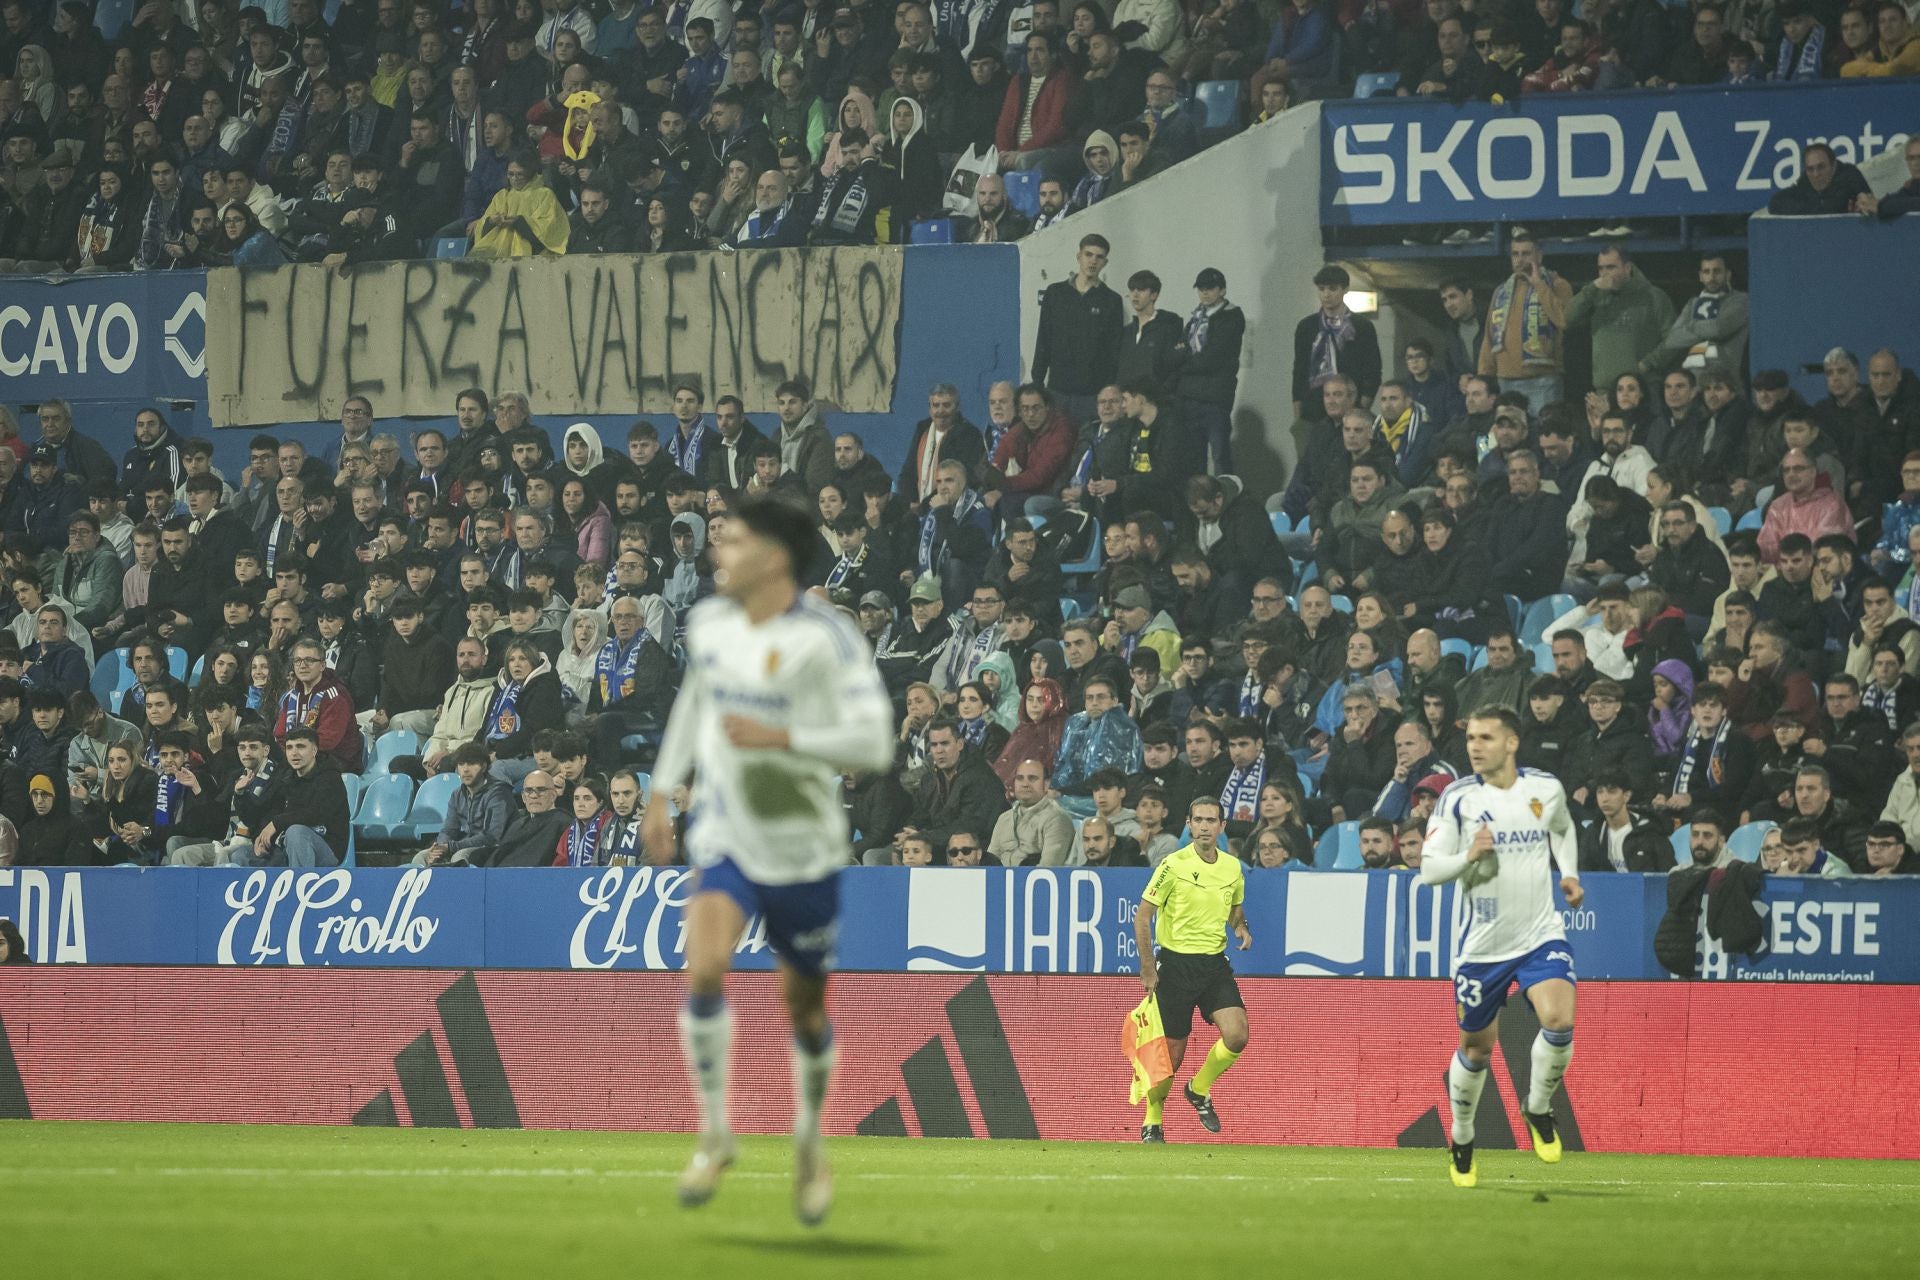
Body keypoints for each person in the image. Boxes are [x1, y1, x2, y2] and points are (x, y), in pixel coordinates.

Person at [644, 498, 893, 1225]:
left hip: (804, 846)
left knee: (804, 1008)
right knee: (704, 967)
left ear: (777, 556)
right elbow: (698, 697)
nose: (719, 547)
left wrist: (782, 738)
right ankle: (716, 1133)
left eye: (737, 540)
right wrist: (663, 791)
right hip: (726, 831)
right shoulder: (709, 622)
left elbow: (873, 746)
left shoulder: (829, 638)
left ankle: (810, 1141)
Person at [1420, 705, 1582, 1188]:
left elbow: (1563, 828)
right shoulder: (1457, 799)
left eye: (1486, 737)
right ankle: (1463, 1137)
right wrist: (1469, 855)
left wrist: (1568, 872)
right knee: (1477, 1048)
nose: (1475, 746)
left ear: (1511, 743)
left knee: (1559, 1019)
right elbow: (1429, 871)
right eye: (1471, 737)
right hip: (1482, 947)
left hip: (1540, 934)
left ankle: (1537, 1107)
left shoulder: (1544, 788)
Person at [1132, 796, 1252, 1143]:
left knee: (1237, 1034)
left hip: (1214, 964)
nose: (1203, 826)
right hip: (1175, 965)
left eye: (1210, 820)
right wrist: (1147, 968)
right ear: (1188, 823)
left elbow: (1234, 907)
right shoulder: (1172, 864)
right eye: (1197, 820)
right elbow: (1143, 917)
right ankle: (1153, 1119)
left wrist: (1240, 927)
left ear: (1221, 826)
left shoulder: (1232, 867)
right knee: (1171, 1055)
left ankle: (1198, 1089)